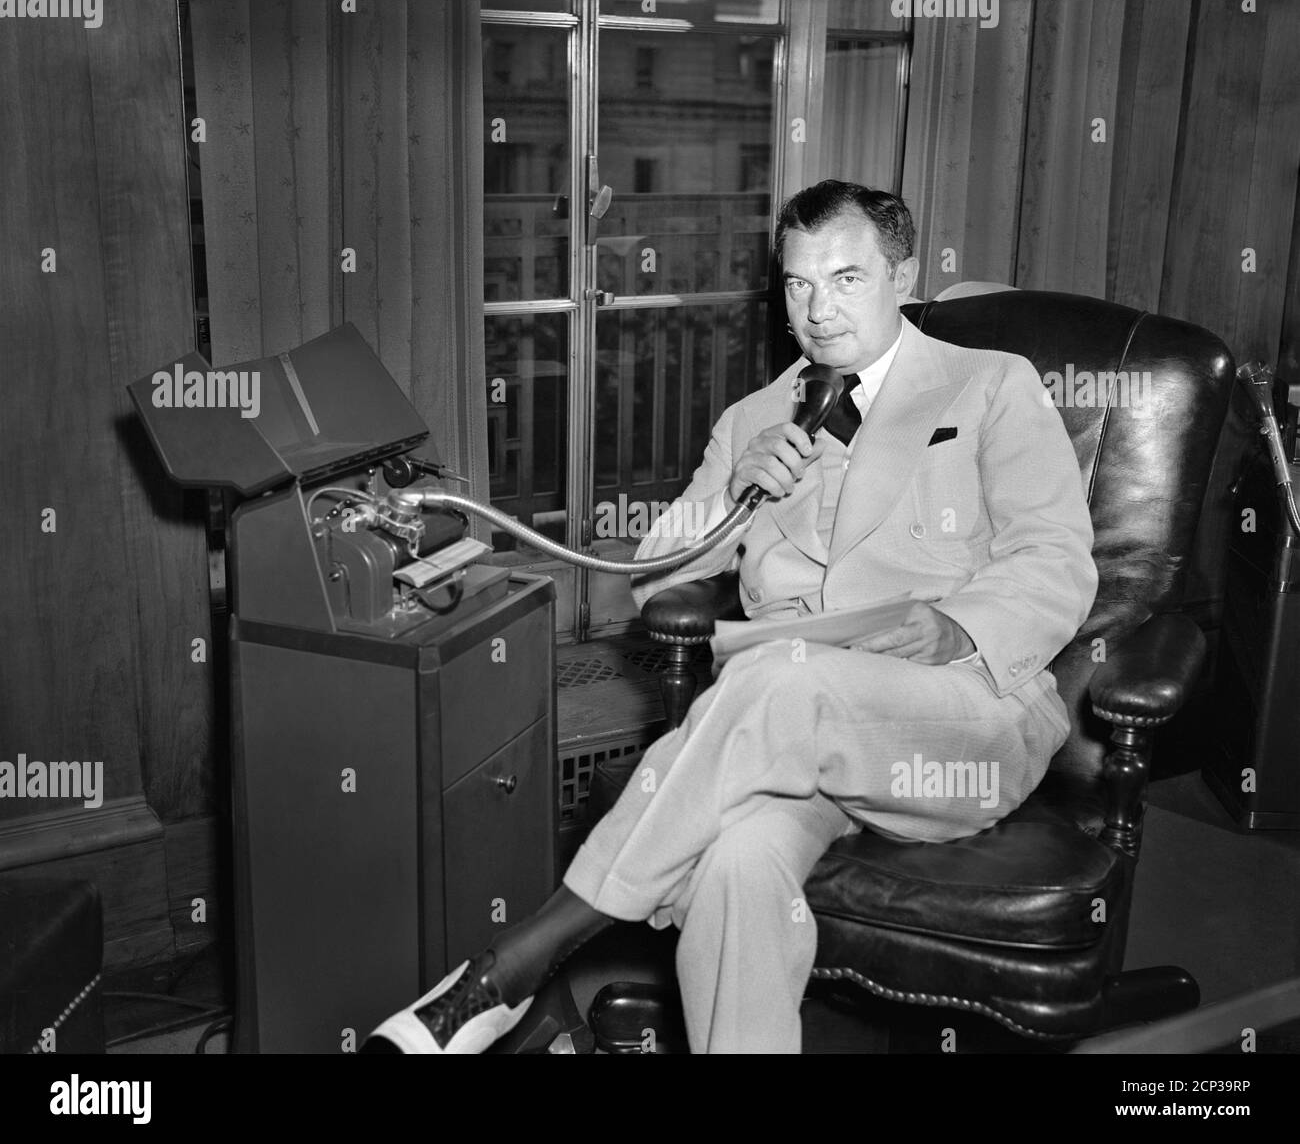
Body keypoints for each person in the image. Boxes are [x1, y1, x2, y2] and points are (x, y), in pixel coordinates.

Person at [361, 180, 1098, 1054]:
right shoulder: (755, 418)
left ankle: (521, 958)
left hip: (958, 717)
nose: (818, 309)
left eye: (847, 278)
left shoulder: (990, 386)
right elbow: (645, 581)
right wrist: (735, 492)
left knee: (780, 679)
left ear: (902, 277)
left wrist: (960, 625)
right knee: (735, 869)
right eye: (797, 284)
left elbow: (1057, 557)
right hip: (789, 745)